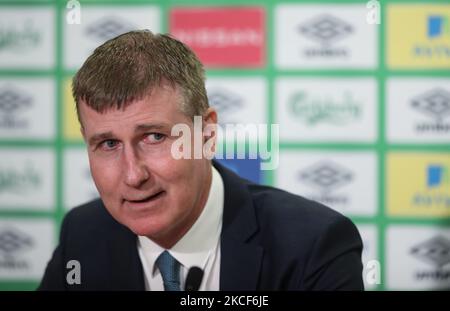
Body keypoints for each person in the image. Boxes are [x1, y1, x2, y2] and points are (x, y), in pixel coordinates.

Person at [38, 30, 364, 291]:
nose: (133, 175)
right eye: (108, 143)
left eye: (155, 137)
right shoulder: (81, 236)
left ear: (207, 134)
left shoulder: (312, 245)